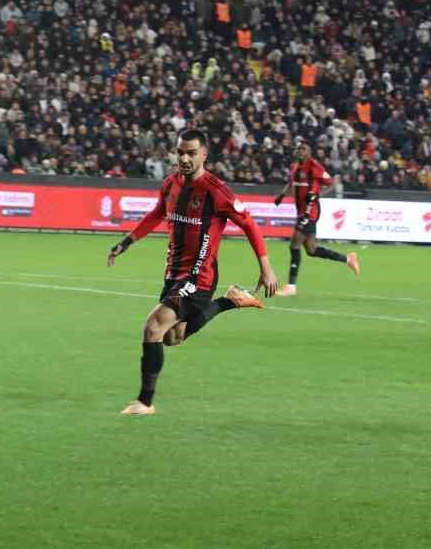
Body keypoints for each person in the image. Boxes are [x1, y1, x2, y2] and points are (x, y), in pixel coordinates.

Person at [106, 128, 278, 416]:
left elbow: (248, 223)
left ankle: (145, 402)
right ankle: (230, 301)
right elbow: (157, 213)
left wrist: (266, 267)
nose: (184, 158)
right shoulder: (171, 183)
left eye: (191, 153)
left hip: (200, 274)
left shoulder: (216, 190)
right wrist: (126, 242)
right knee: (173, 337)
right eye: (180, 152)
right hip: (174, 272)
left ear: (204, 155)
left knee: (153, 327)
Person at [274, 141, 360, 295]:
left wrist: (317, 195)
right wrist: (281, 195)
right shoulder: (294, 167)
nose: (299, 151)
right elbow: (291, 183)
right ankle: (348, 259)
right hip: (300, 211)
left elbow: (331, 183)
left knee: (294, 245)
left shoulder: (315, 167)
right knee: (311, 250)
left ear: (309, 153)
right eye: (298, 148)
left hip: (310, 211)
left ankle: (291, 287)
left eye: (303, 149)